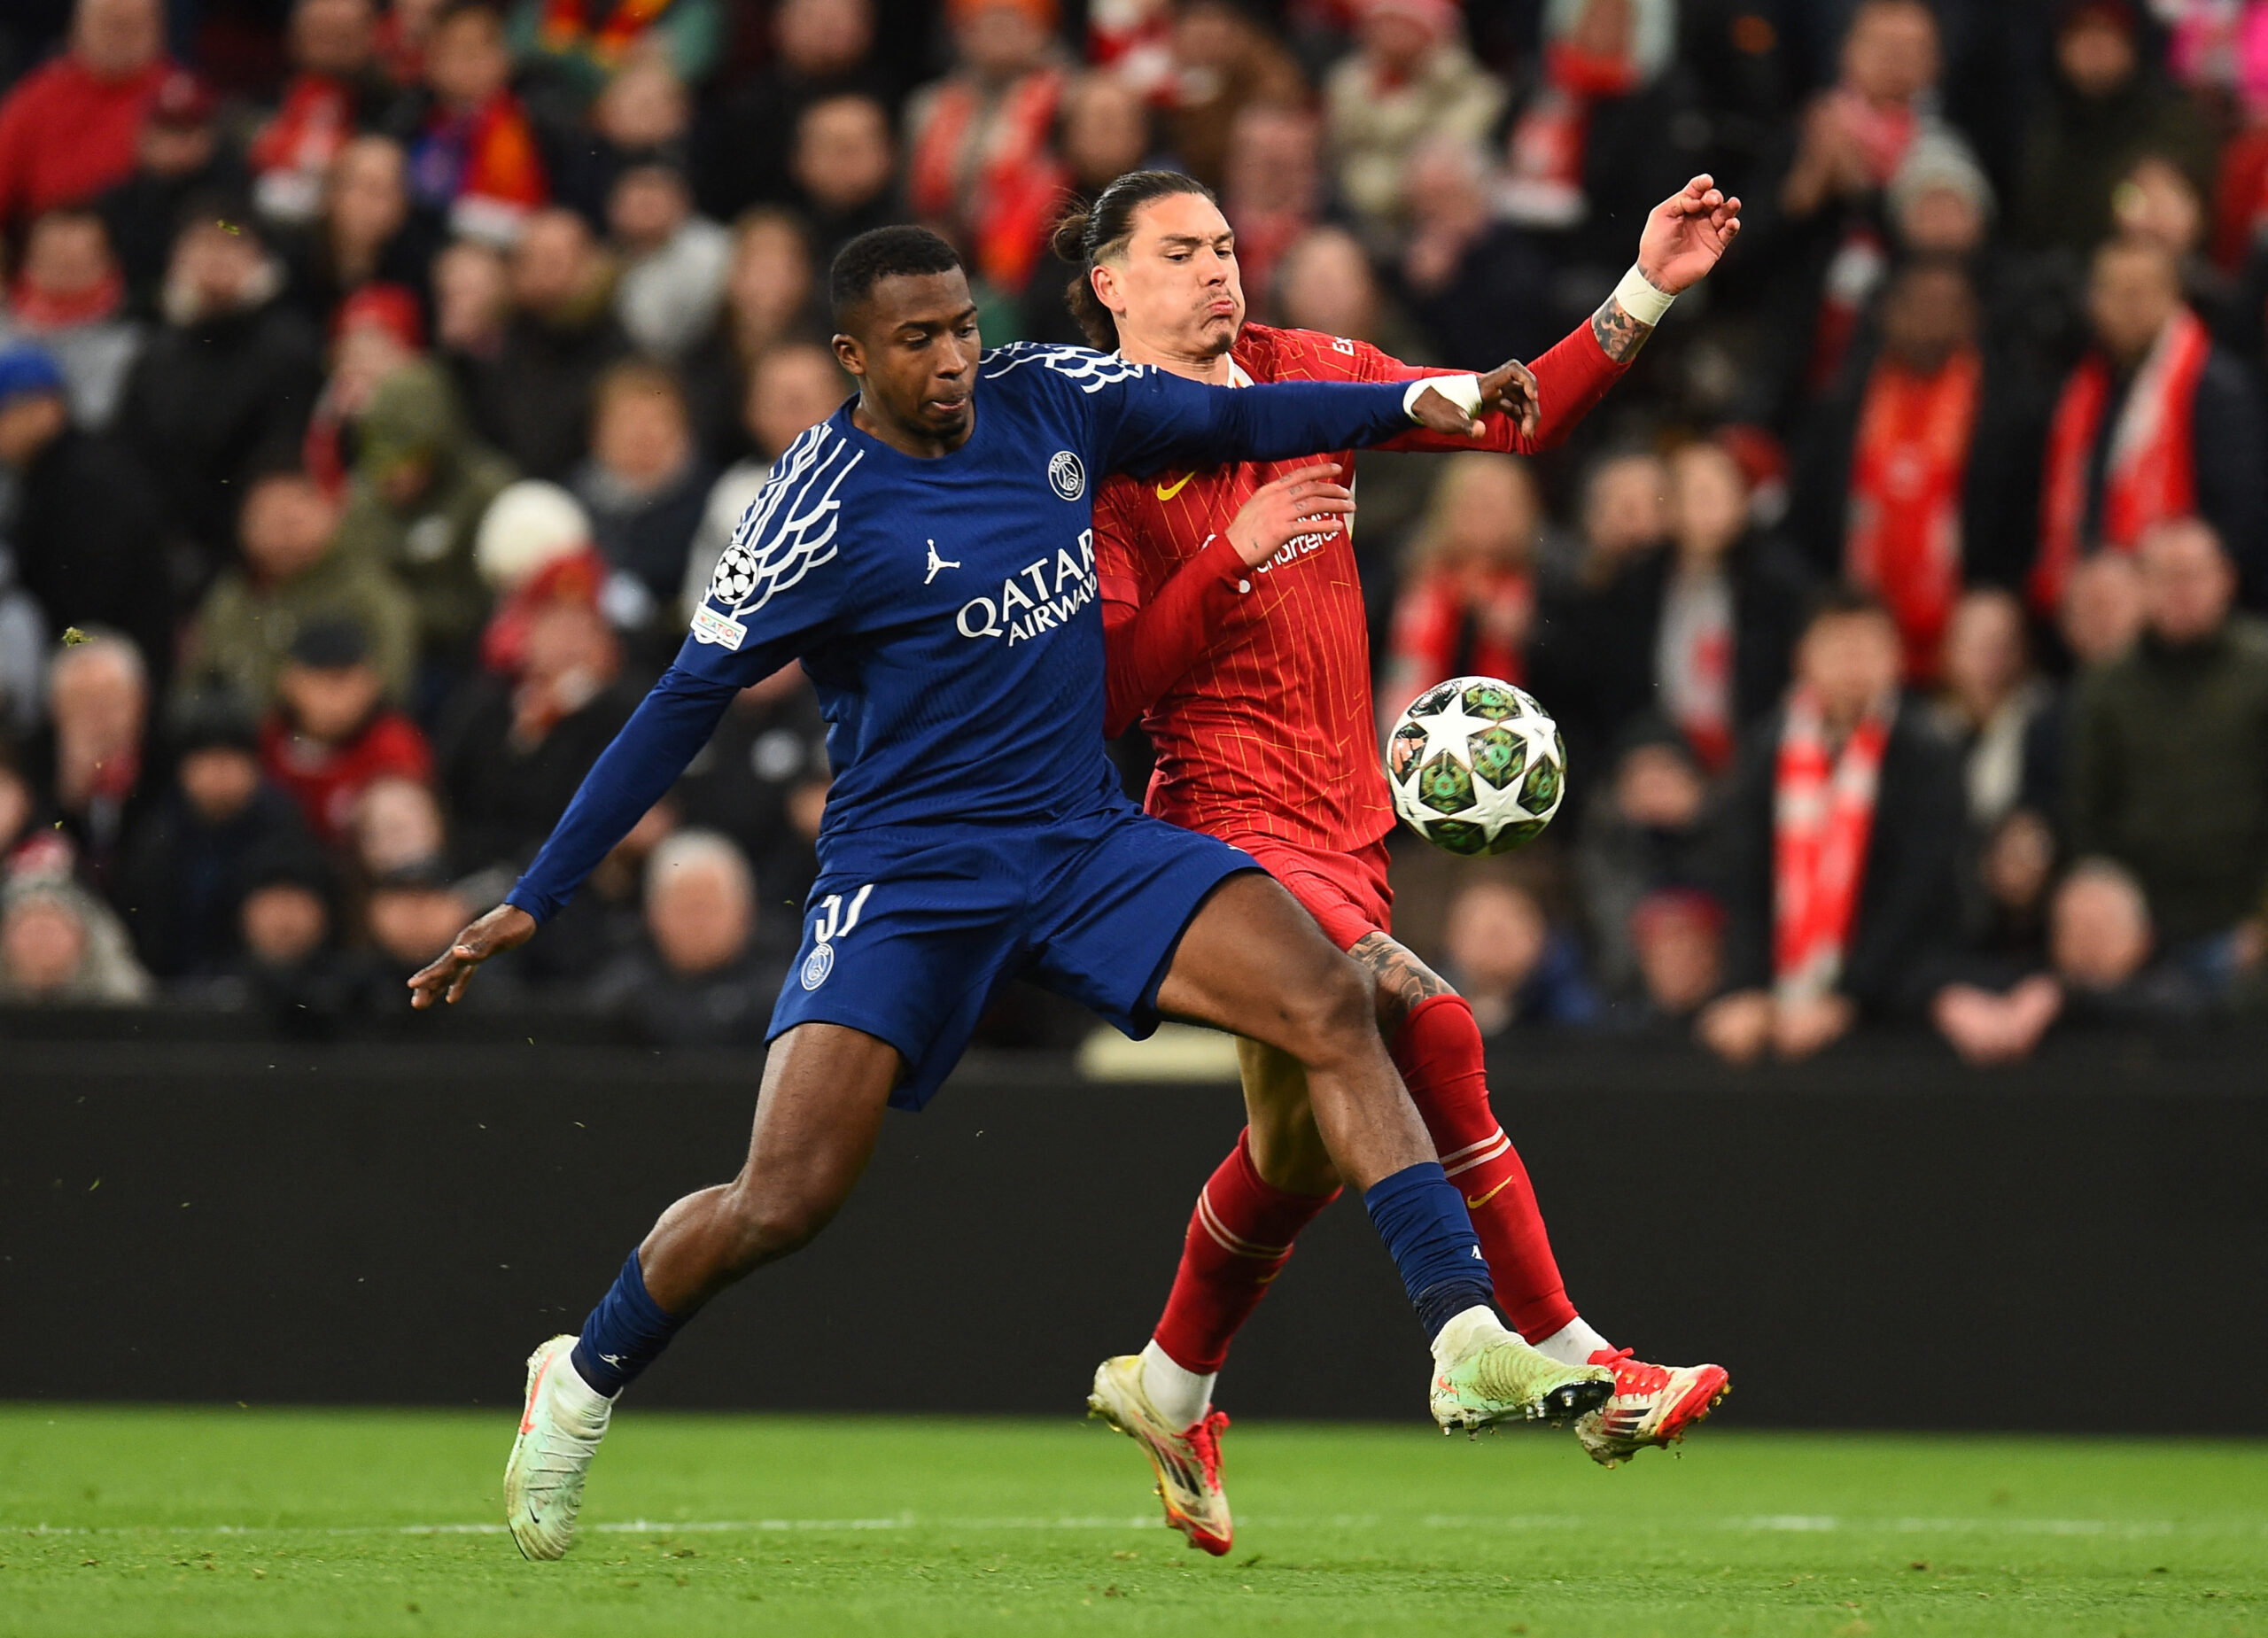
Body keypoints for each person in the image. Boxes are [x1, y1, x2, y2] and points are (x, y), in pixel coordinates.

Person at [408, 224, 1612, 1560]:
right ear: (850, 357)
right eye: (918, 340)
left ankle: (1462, 1333)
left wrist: (1419, 397)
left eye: (963, 325)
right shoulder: (816, 503)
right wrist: (543, 891)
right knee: (783, 1198)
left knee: (1333, 1003)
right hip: (910, 873)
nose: (954, 359)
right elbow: (682, 702)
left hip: (1082, 843)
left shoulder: (1047, 396)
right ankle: (578, 1381)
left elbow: (1256, 413)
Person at [1067, 168, 1739, 1549]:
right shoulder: (1095, 455)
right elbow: (1111, 695)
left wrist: (1648, 285)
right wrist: (1233, 553)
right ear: (1109, 283)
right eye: (1180, 253)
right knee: (1423, 1015)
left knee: (1300, 1143)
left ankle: (1170, 1377)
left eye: (1227, 246)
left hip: (1343, 825)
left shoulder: (1308, 372)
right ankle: (1559, 1346)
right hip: (1217, 823)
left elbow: (1519, 409)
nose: (1218, 271)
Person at [1698, 590, 1964, 1065]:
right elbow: (1746, 875)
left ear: (1895, 659)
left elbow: (1917, 893)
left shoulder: (1929, 753)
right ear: (1803, 658)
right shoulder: (1766, 751)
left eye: (1866, 648)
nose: (1853, 665)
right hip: (1780, 991)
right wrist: (1749, 988)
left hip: (1894, 995)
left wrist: (1847, 998)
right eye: (1838, 648)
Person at [2065, 517, 2268, 959]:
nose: (2182, 590)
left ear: (2226, 580)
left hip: (2245, 928)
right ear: (2141, 586)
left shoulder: (2260, 670)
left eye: (2194, 575)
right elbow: (2088, 816)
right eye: (2165, 577)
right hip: (2141, 932)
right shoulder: (2107, 685)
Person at [2031, 237, 2268, 615]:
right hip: (2096, 601)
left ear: (2175, 298)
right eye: (2115, 293)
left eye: (2142, 293)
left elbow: (2238, 520)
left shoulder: (2215, 386)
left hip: (2189, 609)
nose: (2129, 308)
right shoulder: (2084, 389)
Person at [187, 470, 418, 710]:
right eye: (269, 517)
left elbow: (391, 686)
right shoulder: (229, 595)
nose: (285, 533)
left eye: (294, 519)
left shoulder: (370, 593)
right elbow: (194, 683)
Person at [0, 0, 170, 231]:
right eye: (109, 25)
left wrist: (178, 179)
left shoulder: (182, 102)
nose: (120, 37)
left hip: (152, 253)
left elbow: (227, 223)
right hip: (50, 248)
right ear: (77, 28)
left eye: (131, 26)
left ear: (158, 29)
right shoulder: (36, 99)